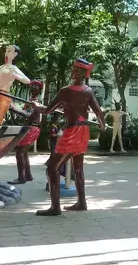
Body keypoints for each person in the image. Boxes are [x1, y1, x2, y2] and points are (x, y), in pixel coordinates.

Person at [34, 58, 105, 216]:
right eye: (73, 68)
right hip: (84, 130)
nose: (73, 71)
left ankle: (55, 208)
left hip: (73, 132)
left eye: (76, 69)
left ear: (82, 73)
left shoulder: (65, 91)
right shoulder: (88, 91)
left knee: (52, 168)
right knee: (78, 168)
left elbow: (47, 110)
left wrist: (37, 107)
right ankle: (82, 203)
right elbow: (99, 112)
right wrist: (102, 125)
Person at [8, 80, 44, 184]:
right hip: (31, 128)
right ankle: (28, 176)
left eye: (36, 87)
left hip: (32, 128)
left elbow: (28, 115)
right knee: (24, 153)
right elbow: (26, 113)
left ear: (40, 90)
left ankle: (21, 178)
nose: (33, 89)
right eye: (32, 86)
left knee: (19, 153)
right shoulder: (31, 101)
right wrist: (13, 108)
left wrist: (13, 108)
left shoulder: (36, 102)